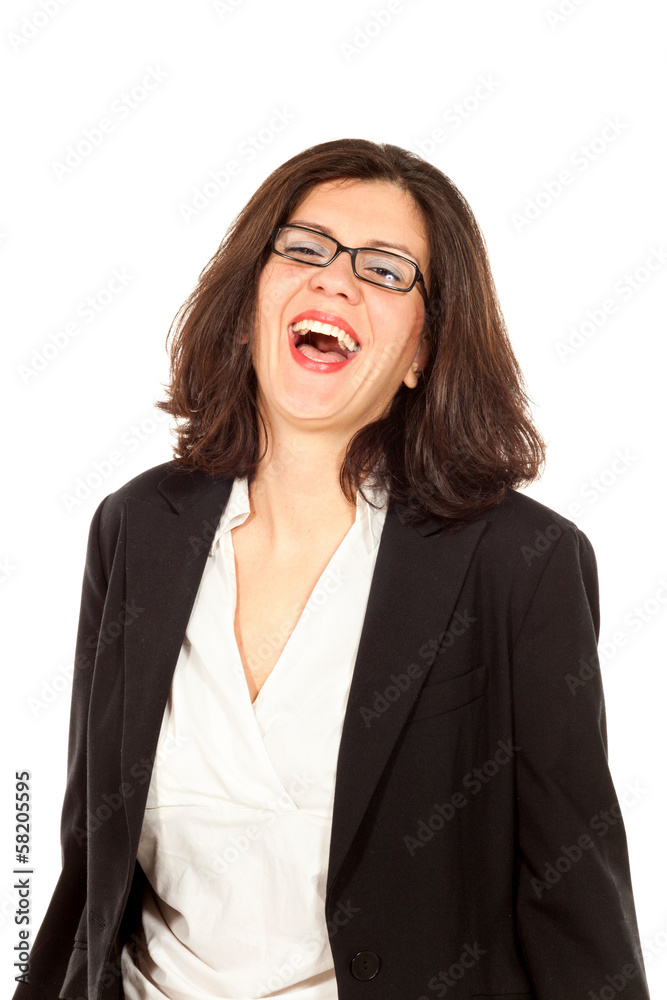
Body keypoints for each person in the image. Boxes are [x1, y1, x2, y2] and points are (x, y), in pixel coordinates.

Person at [15, 139, 651, 1000]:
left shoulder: (520, 563)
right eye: (304, 249)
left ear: (423, 353)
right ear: (251, 300)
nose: (335, 280)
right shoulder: (135, 529)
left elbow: (575, 907)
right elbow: (88, 870)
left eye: (386, 271)